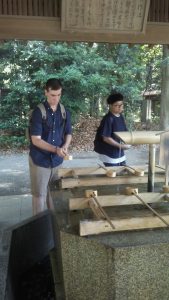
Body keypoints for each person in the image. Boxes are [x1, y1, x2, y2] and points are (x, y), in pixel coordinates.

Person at [29, 78, 72, 215]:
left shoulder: (64, 111)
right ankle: (39, 227)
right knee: (39, 196)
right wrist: (55, 149)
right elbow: (36, 140)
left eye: (59, 95)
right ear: (46, 92)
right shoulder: (38, 112)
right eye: (53, 95)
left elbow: (68, 133)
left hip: (57, 161)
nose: (56, 98)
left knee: (54, 194)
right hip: (40, 160)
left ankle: (53, 224)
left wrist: (65, 146)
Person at [94, 92, 130, 167]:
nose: (120, 107)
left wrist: (129, 140)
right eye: (117, 105)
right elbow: (106, 138)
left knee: (123, 171)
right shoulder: (108, 119)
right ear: (110, 106)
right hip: (109, 153)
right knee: (113, 175)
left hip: (119, 152)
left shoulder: (121, 117)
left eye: (121, 105)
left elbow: (125, 132)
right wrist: (120, 146)